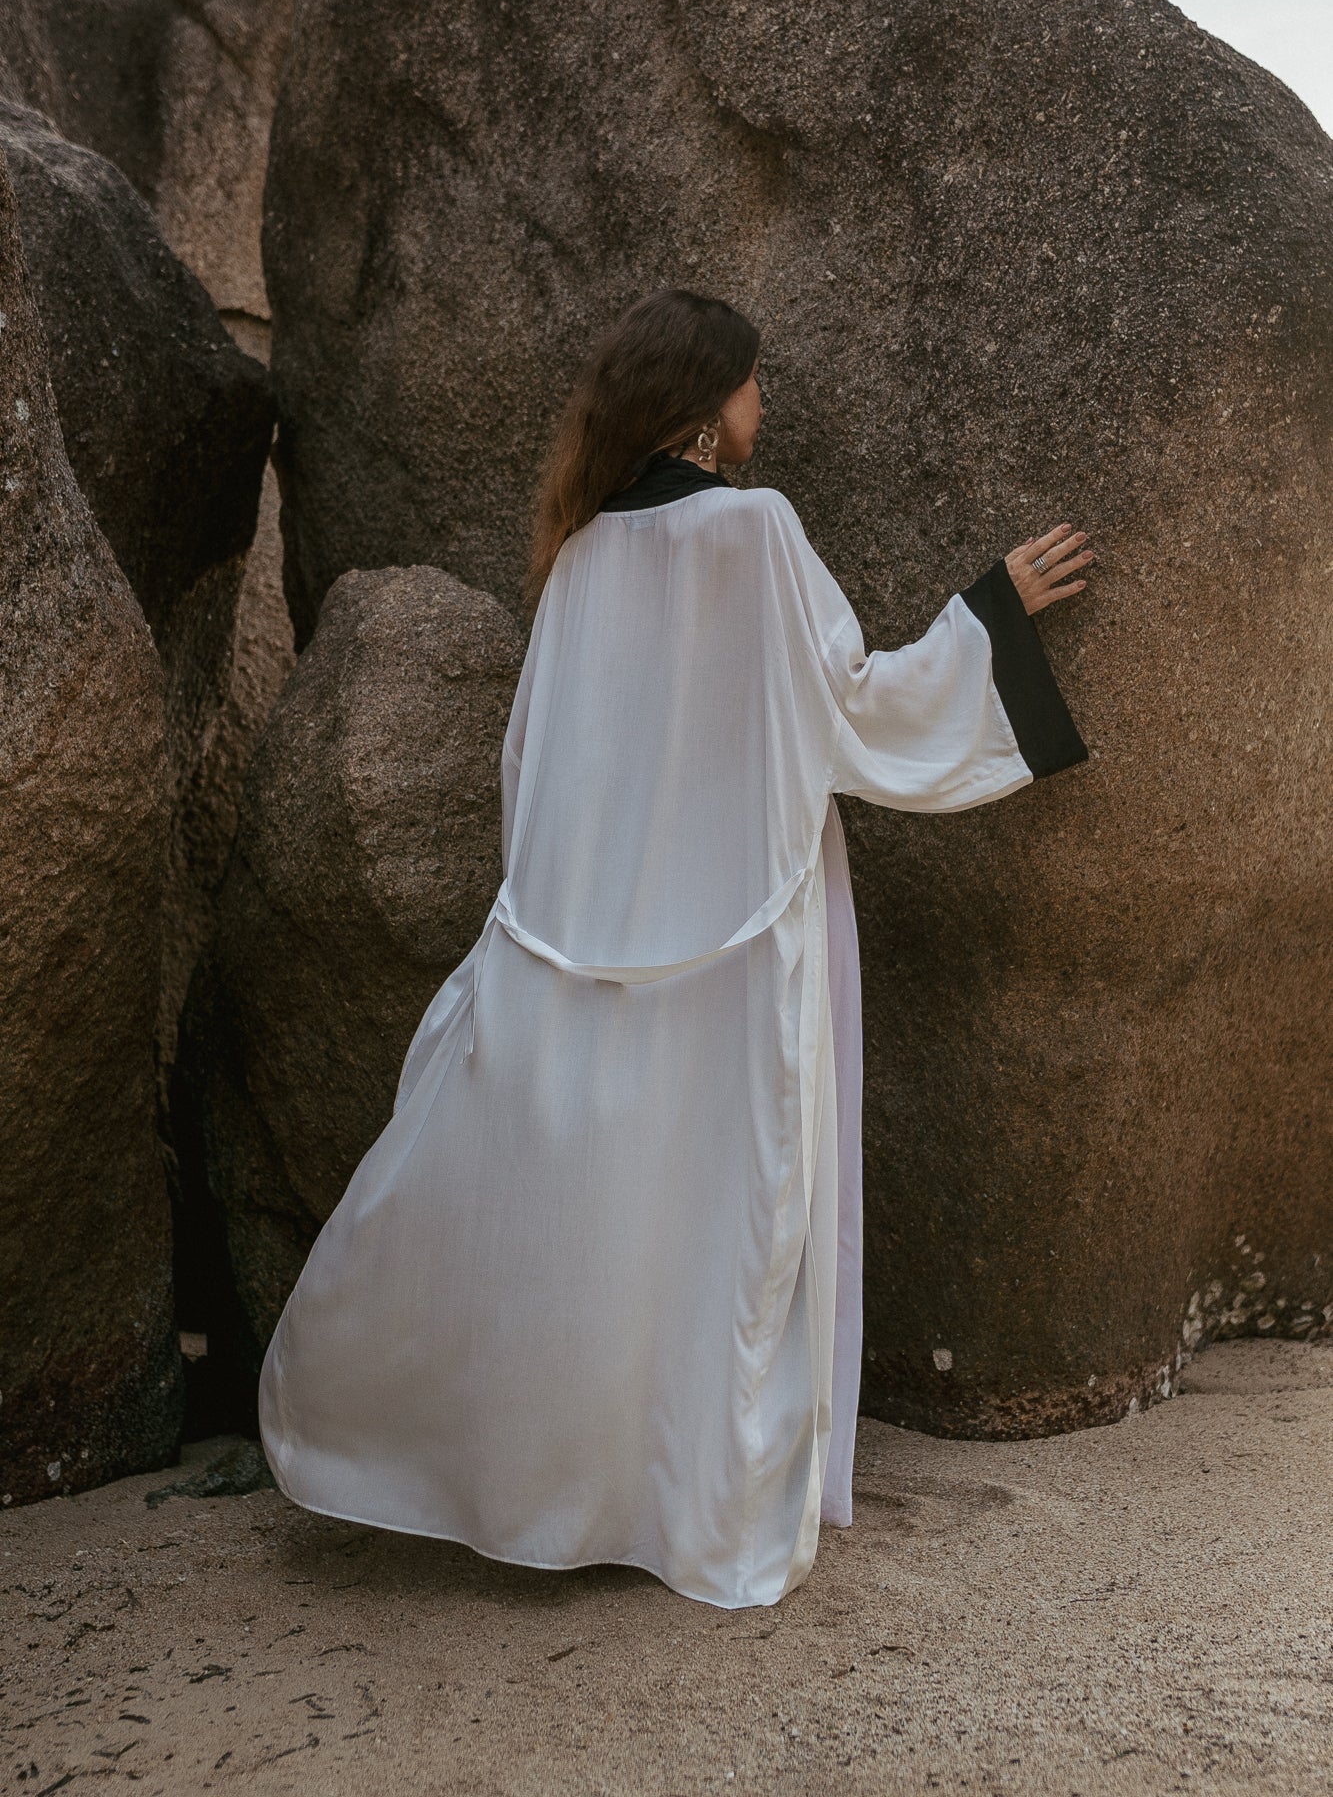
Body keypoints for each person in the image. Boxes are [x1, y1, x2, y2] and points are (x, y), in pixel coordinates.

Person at [259, 288, 1092, 1609]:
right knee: (720, 1225)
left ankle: (546, 1498)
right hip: (738, 947)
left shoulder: (582, 552)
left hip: (578, 939)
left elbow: (531, 759)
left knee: (590, 1228)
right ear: (711, 400)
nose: (766, 409)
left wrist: (552, 922)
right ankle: (695, 1506)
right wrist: (990, 615)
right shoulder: (752, 532)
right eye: (755, 385)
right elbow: (848, 708)